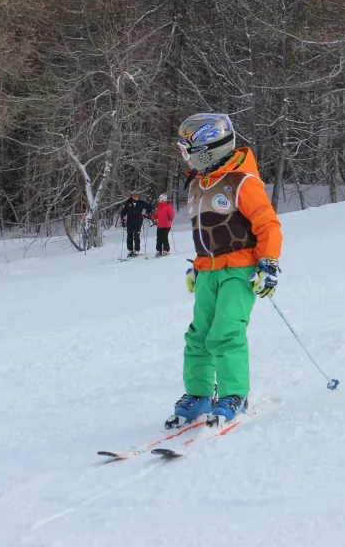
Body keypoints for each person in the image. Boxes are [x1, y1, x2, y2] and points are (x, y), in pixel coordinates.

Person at [168, 113, 283, 428]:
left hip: (240, 270)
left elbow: (267, 224)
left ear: (207, 149)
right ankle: (199, 395)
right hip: (208, 272)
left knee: (226, 332)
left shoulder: (242, 182)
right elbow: (208, 233)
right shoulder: (198, 184)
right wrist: (198, 265)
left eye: (188, 148)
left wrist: (269, 262)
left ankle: (234, 394)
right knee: (199, 335)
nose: (185, 155)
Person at [119, 192, 153, 257]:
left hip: (138, 221)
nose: (136, 197)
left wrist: (146, 214)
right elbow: (123, 212)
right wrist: (122, 219)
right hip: (130, 222)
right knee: (129, 236)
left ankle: (136, 250)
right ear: (132, 196)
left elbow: (150, 207)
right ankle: (130, 250)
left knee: (137, 235)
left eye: (137, 196)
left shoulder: (141, 203)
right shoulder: (128, 203)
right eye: (135, 196)